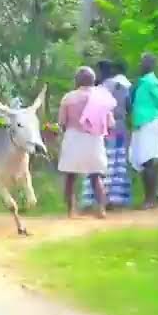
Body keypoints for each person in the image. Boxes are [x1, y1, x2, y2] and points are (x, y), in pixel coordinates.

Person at [59, 66, 115, 219]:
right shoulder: (101, 99)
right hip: (94, 140)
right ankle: (102, 209)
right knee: (95, 176)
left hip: (74, 138)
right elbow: (110, 124)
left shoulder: (68, 98)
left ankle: (71, 211)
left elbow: (62, 122)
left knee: (70, 177)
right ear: (93, 81)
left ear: (77, 81)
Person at [81, 60, 131, 210]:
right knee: (117, 164)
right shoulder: (122, 87)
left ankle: (97, 199)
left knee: (101, 164)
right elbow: (128, 106)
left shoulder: (98, 90)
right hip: (120, 128)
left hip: (102, 130)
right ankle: (116, 199)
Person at [127, 53, 158, 209]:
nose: (141, 65)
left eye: (144, 63)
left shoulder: (153, 83)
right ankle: (148, 197)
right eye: (141, 62)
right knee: (141, 161)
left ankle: (150, 199)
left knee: (149, 161)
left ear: (151, 65)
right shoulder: (141, 83)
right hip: (140, 125)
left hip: (150, 123)